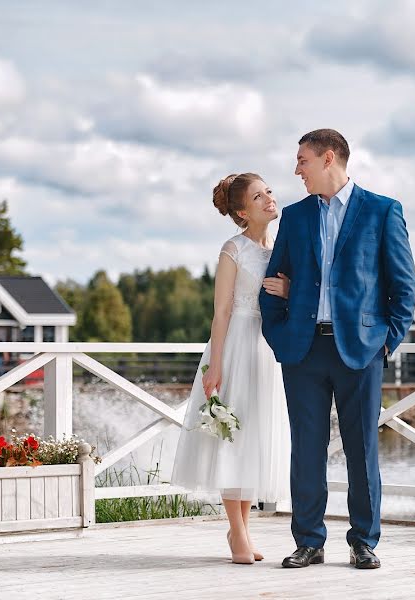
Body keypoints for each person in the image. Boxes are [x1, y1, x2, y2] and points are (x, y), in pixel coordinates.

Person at [259, 129, 415, 570]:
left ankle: (364, 542)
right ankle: (308, 541)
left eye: (302, 161)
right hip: (303, 352)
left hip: (361, 350)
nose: (296, 170)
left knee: (362, 449)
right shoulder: (295, 216)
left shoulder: (383, 211)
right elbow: (271, 288)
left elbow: (404, 288)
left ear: (329, 158)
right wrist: (280, 335)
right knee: (305, 449)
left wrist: (386, 342)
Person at [172, 173, 291, 564]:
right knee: (231, 435)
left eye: (269, 191)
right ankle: (236, 531)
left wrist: (288, 291)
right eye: (259, 196)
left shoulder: (278, 248)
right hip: (236, 343)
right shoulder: (233, 249)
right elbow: (221, 311)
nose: (269, 198)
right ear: (243, 211)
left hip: (267, 348)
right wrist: (215, 365)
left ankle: (242, 530)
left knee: (255, 435)